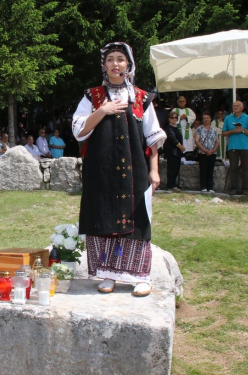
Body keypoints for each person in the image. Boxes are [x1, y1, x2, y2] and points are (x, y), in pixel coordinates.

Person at [72, 42, 166, 297]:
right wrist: (102, 110)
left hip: (134, 170)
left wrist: (154, 170)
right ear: (104, 65)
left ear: (128, 64)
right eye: (110, 59)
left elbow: (153, 137)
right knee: (103, 216)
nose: (115, 64)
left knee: (137, 219)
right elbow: (79, 130)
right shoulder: (93, 96)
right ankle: (108, 274)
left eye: (120, 59)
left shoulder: (141, 97)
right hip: (101, 170)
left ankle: (140, 277)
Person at [222, 101, 248, 195]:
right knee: (233, 168)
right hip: (233, 146)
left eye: (237, 106)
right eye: (234, 106)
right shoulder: (228, 118)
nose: (235, 107)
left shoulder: (247, 118)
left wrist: (243, 130)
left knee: (245, 168)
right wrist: (233, 131)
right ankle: (233, 188)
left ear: (242, 108)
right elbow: (223, 133)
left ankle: (245, 189)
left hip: (245, 147)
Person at [195, 112, 219, 193]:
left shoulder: (214, 129)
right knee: (203, 169)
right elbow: (197, 141)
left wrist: (213, 150)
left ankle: (210, 187)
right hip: (202, 153)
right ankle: (203, 186)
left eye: (207, 118)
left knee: (210, 170)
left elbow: (217, 141)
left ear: (210, 119)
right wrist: (204, 150)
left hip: (212, 153)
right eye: (204, 118)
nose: (206, 119)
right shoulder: (199, 129)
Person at [163, 111, 185, 191]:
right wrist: (180, 146)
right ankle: (170, 185)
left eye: (176, 117)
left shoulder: (176, 127)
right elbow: (172, 138)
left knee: (176, 168)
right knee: (171, 168)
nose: (174, 119)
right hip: (171, 151)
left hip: (177, 151)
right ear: (169, 119)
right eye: (172, 117)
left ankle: (173, 185)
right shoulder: (168, 128)